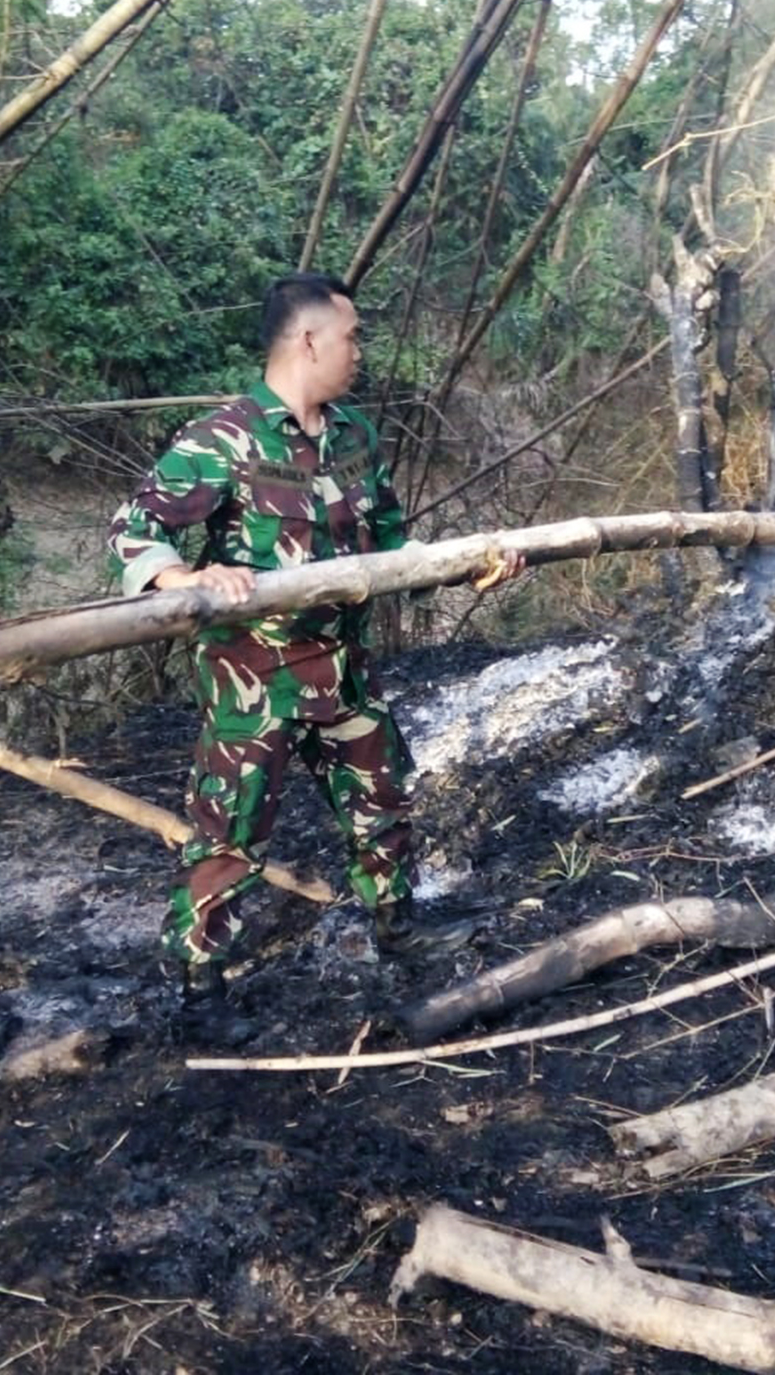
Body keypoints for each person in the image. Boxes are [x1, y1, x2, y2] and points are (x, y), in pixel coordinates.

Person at [108, 272, 519, 1038]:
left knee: (382, 796)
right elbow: (134, 525)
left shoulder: (354, 435)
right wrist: (184, 574)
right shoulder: (222, 439)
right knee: (231, 830)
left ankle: (398, 926)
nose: (359, 351)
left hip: (344, 663)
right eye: (351, 335)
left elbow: (392, 541)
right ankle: (201, 989)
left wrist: (467, 566)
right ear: (307, 340)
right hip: (253, 676)